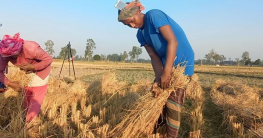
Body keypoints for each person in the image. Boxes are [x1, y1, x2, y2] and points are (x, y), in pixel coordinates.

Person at [116, 1, 194, 137]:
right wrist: (158, 78)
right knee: (156, 97)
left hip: (182, 63)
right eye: (128, 25)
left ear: (138, 12)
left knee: (173, 103)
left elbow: (172, 42)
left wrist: (167, 72)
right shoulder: (140, 35)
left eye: (132, 21)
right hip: (166, 64)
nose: (132, 25)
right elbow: (153, 56)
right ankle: (154, 132)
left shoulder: (154, 15)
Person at [0, 33, 53, 122]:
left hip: (40, 72)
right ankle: (26, 118)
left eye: (14, 56)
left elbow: (49, 59)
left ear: (19, 50)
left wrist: (33, 67)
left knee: (35, 100)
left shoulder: (32, 48)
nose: (13, 58)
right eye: (10, 57)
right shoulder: (4, 52)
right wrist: (9, 83)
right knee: (26, 97)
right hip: (26, 74)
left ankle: (31, 124)